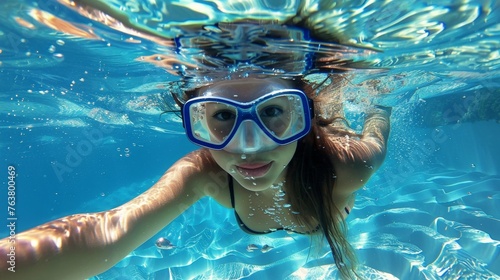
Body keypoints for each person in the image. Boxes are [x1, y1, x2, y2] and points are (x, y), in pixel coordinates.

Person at [0, 71, 390, 279]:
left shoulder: (348, 164)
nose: (249, 145)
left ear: (300, 115)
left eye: (272, 111)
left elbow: (377, 134)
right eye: (222, 116)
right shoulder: (203, 173)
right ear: (198, 123)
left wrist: (379, 112)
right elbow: (109, 230)